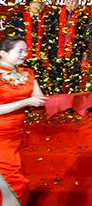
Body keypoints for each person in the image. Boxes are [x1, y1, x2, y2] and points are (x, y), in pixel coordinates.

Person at [0, 36, 47, 205]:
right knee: (13, 180)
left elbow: (39, 98)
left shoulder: (27, 73)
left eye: (26, 51)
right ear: (3, 53)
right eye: (20, 51)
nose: (24, 54)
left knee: (8, 181)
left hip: (15, 135)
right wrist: (26, 102)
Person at [45, 0, 88, 94]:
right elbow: (48, 33)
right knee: (56, 76)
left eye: (75, 2)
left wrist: (85, 50)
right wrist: (46, 49)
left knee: (74, 77)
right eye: (70, 1)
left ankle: (73, 99)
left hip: (75, 51)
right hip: (57, 50)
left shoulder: (82, 17)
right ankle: (56, 99)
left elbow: (84, 35)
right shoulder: (55, 15)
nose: (72, 4)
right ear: (65, 1)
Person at [5, 0, 48, 92]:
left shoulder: (46, 20)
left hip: (38, 55)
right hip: (22, 54)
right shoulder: (18, 18)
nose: (40, 5)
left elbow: (47, 37)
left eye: (42, 3)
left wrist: (44, 50)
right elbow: (10, 34)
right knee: (22, 77)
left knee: (39, 79)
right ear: (29, 4)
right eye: (37, 2)